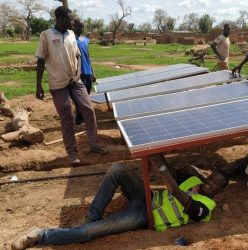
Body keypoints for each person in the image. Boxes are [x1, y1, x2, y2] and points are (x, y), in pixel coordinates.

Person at [11, 154, 229, 249]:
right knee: (117, 169)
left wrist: (160, 167)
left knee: (92, 232)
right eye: (211, 177)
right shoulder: (193, 179)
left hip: (145, 216)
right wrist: (157, 153)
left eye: (216, 183)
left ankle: (40, 235)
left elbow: (174, 189)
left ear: (219, 193)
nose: (210, 182)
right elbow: (170, 170)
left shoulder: (204, 209)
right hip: (146, 197)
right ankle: (93, 215)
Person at [35, 6, 108, 164]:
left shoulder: (71, 35)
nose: (72, 21)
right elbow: (40, 61)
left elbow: (78, 56)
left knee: (88, 110)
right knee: (67, 116)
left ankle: (94, 143)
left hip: (75, 81)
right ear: (60, 19)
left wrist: (79, 74)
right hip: (58, 83)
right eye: (70, 18)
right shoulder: (46, 35)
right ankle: (72, 153)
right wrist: (38, 86)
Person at [73, 19, 97, 125]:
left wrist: (92, 72)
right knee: (80, 98)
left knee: (86, 97)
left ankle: (83, 118)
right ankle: (79, 120)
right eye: (79, 26)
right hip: (79, 73)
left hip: (88, 72)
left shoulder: (85, 40)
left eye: (82, 27)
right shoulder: (71, 39)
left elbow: (88, 56)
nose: (81, 29)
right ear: (74, 27)